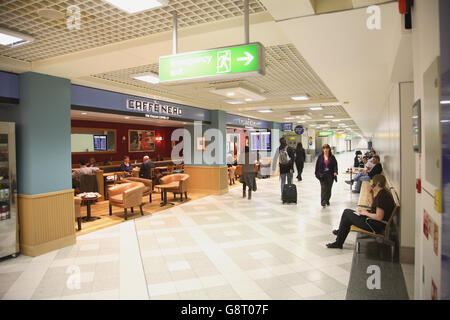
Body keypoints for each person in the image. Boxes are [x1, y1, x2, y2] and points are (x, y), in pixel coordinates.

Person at [326, 174, 395, 249]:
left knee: (347, 213)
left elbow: (379, 217)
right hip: (373, 222)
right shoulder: (382, 193)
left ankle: (339, 239)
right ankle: (339, 239)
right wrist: (371, 195)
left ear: (378, 183)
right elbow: (374, 208)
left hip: (374, 225)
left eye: (373, 183)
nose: (372, 184)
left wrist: (365, 213)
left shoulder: (382, 196)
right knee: (347, 215)